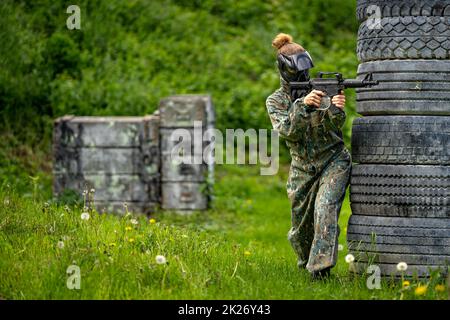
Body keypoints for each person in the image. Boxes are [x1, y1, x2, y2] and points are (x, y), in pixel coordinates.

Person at [266, 33, 351, 279]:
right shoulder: (276, 101)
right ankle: (306, 262)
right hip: (302, 168)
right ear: (285, 70)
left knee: (325, 210)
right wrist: (304, 105)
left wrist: (336, 107)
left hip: (333, 160)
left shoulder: (319, 90)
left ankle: (320, 272)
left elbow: (335, 126)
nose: (303, 76)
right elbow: (288, 131)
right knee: (301, 231)